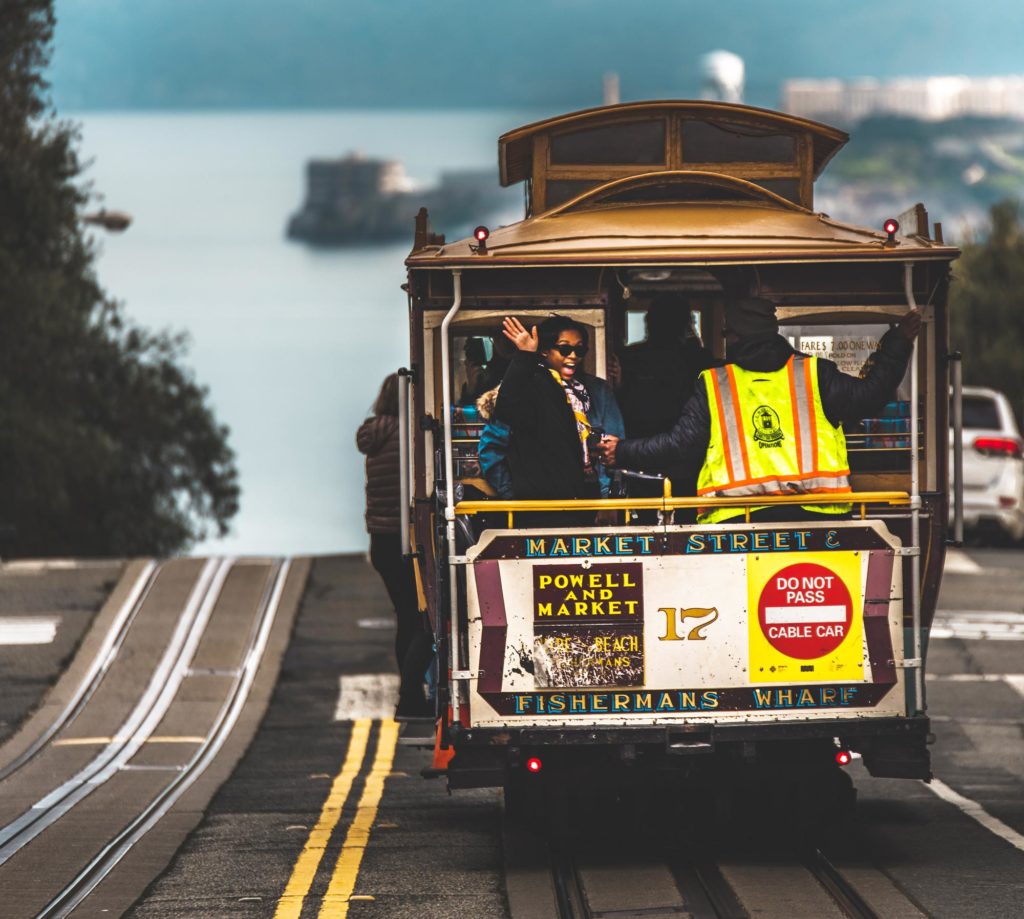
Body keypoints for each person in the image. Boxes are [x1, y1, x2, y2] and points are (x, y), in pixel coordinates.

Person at [596, 297, 922, 524]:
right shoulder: (813, 373)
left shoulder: (714, 382)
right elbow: (871, 395)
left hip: (739, 521)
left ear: (737, 336)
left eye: (727, 333)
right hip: (820, 517)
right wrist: (898, 343)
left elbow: (679, 446)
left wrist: (621, 451)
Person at [492, 315, 624, 524]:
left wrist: (607, 500)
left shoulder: (596, 390)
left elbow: (615, 448)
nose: (573, 356)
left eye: (579, 350)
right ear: (545, 351)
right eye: (564, 349)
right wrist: (514, 497)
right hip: (541, 507)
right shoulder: (532, 386)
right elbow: (503, 418)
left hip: (585, 501)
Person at [356, 374, 434, 718]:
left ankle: (411, 692)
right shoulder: (409, 435)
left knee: (406, 615)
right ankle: (411, 695)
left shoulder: (375, 436)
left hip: (381, 540)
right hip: (409, 539)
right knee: (422, 619)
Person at [614, 294, 721, 506]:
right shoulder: (699, 359)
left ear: (650, 322)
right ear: (685, 324)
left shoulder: (630, 358)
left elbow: (622, 404)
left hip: (638, 457)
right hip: (691, 462)